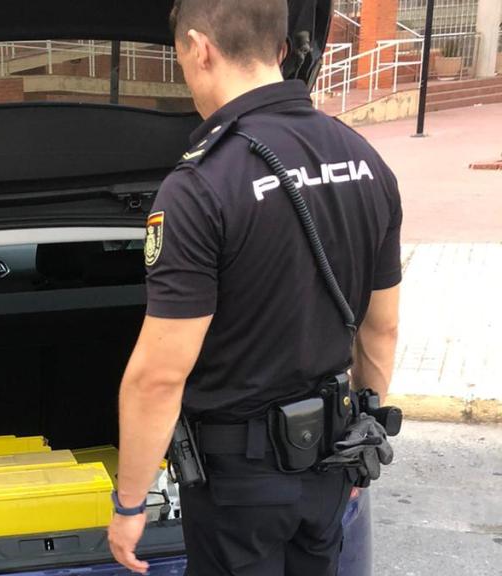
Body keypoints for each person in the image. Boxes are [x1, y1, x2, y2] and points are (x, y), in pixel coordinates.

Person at [106, 1, 401, 574]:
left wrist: (131, 503)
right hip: (330, 465)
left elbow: (159, 376)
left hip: (241, 487)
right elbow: (380, 329)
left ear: (199, 47)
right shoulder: (366, 161)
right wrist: (361, 444)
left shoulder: (201, 185)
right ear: (283, 49)